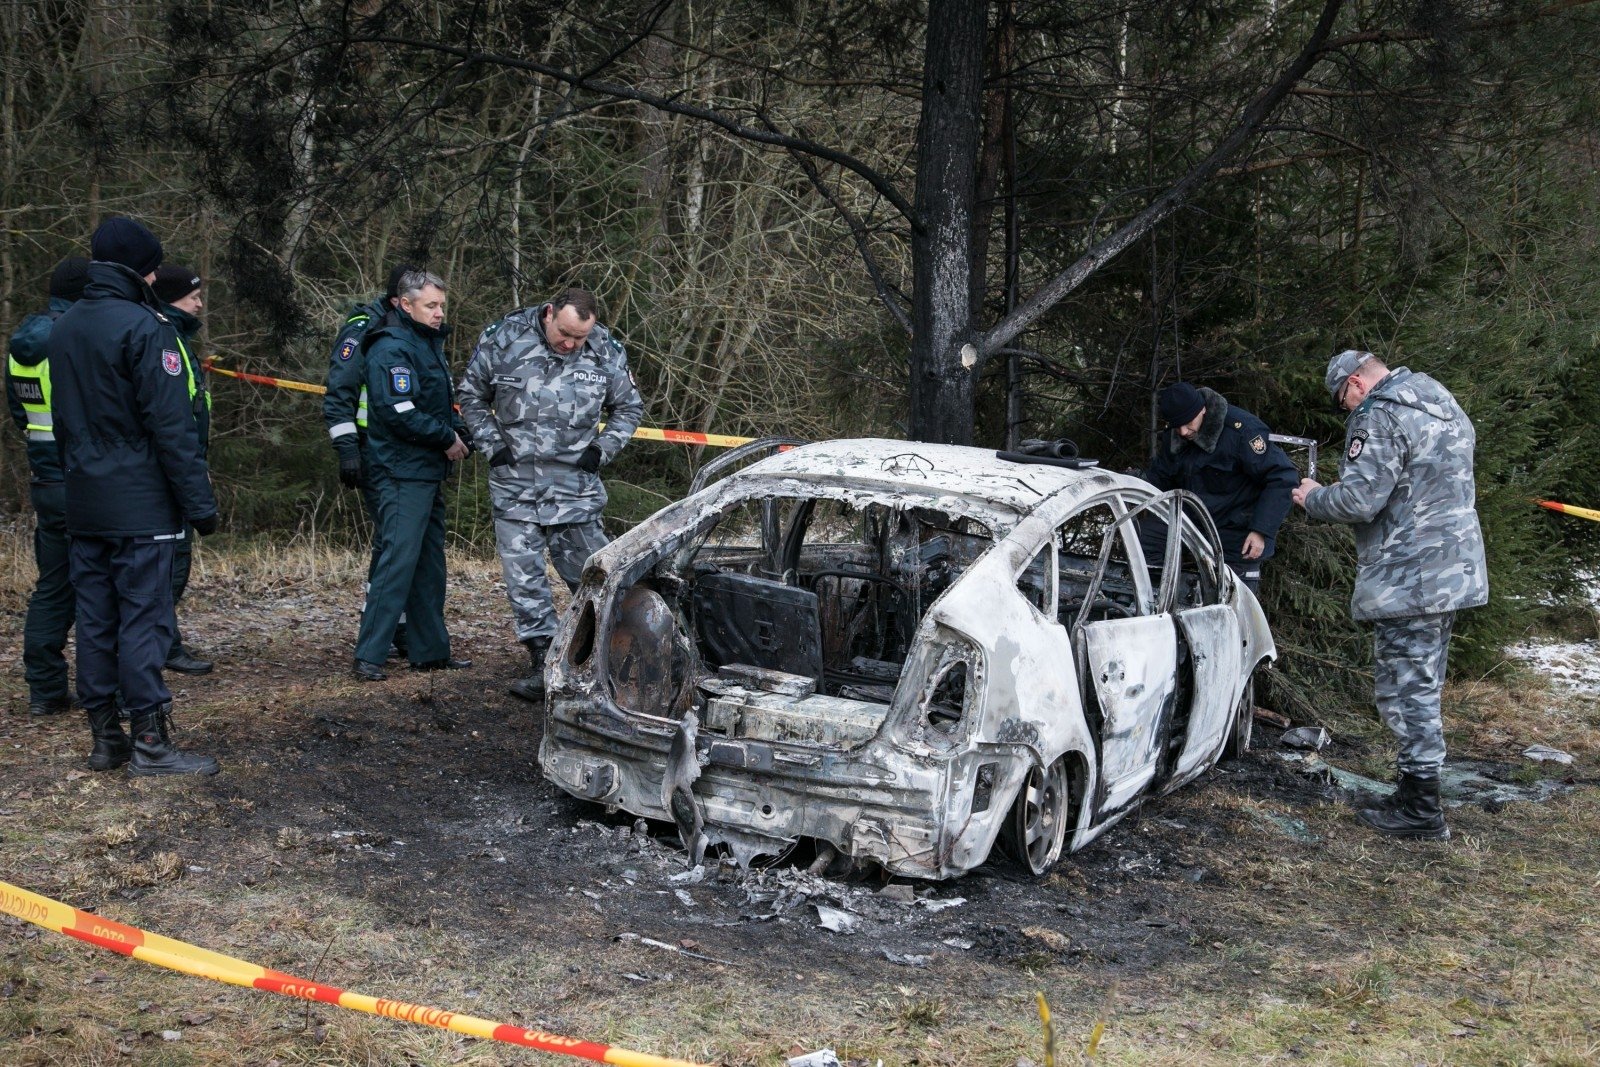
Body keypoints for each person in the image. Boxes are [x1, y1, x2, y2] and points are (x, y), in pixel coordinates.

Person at [1292, 349, 1488, 840]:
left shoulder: (1377, 415)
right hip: (1453, 568)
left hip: (1411, 574)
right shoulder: (1437, 398)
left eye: (1343, 400)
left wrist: (1312, 496)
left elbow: (1361, 499)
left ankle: (1422, 808)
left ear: (1356, 382)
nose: (1346, 410)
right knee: (1423, 681)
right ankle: (1413, 790)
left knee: (1406, 690)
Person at [49, 217, 220, 775]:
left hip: (84, 499)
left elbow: (61, 420)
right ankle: (150, 739)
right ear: (138, 269)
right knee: (144, 617)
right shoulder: (148, 330)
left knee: (95, 619)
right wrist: (199, 504)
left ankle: (106, 737)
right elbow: (172, 429)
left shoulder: (66, 325)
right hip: (141, 503)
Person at [458, 287, 644, 701]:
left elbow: (629, 407)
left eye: (579, 337)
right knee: (524, 581)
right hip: (515, 483)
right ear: (548, 314)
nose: (570, 343)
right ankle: (542, 663)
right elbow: (470, 395)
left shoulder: (603, 350)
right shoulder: (504, 338)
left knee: (595, 577)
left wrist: (602, 450)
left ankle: (611, 659)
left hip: (574, 487)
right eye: (564, 333)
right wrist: (493, 445)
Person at [350, 269, 472, 680]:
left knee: (428, 565)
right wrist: (447, 438)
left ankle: (431, 651)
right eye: (431, 306)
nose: (439, 313)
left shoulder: (425, 343)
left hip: (426, 471)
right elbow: (399, 412)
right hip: (399, 473)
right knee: (397, 562)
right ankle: (370, 655)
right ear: (405, 304)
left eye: (441, 306)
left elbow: (438, 402)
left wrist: (460, 430)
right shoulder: (391, 347)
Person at [6, 256, 88, 717]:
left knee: (53, 586)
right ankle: (110, 692)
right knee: (103, 584)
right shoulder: (76, 339)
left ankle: (45, 690)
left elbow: (22, 415)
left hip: (45, 478)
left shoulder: (22, 345)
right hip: (85, 480)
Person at [323, 263, 418, 659]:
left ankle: (392, 623)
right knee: (392, 544)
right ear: (400, 299)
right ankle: (384, 627)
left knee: (391, 544)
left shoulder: (413, 331)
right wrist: (347, 451)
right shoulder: (364, 329)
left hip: (404, 453)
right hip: (372, 451)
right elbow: (339, 392)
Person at [1144, 381, 1298, 593]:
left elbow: (1282, 478)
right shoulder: (1177, 434)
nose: (1183, 431)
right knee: (1150, 536)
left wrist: (1261, 530)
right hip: (1191, 522)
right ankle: (1152, 600)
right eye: (1176, 426)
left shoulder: (1242, 431)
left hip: (1237, 528)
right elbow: (1160, 477)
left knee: (1232, 601)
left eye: (1188, 423)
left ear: (1203, 410)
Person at [150, 264, 215, 675]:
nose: (200, 303)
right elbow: (171, 419)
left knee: (175, 564)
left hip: (182, 466)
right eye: (193, 298)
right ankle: (155, 649)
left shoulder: (175, 337)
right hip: (168, 474)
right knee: (171, 566)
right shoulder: (164, 340)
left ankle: (164, 644)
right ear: (173, 301)